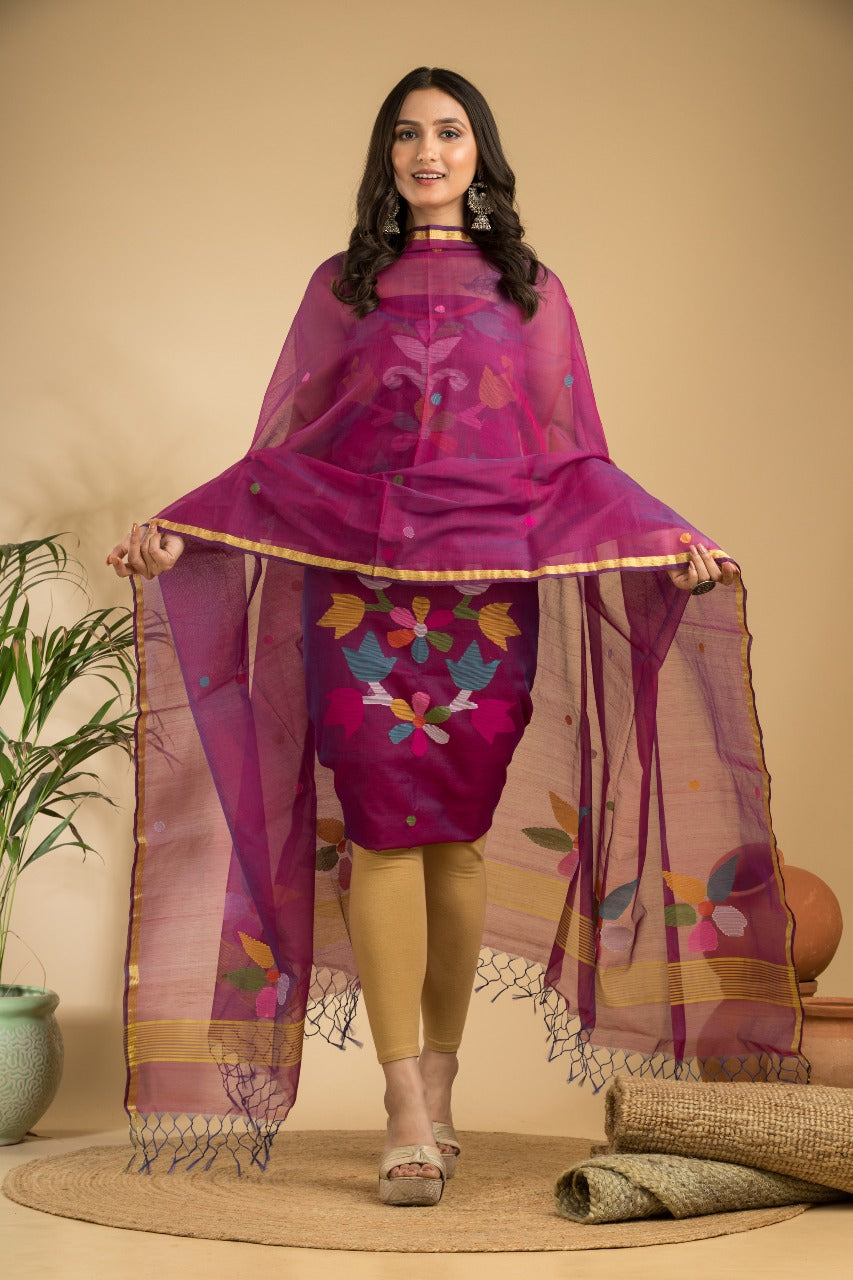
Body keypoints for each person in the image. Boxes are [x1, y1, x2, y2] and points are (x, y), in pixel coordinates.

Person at [108, 67, 803, 1204]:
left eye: (447, 131)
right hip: (359, 600)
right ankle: (401, 1101)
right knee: (381, 834)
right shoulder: (340, 288)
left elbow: (572, 461)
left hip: (485, 600)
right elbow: (286, 453)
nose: (425, 151)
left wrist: (672, 538)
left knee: (459, 843)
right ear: (385, 156)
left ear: (479, 152)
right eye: (406, 134)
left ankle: (441, 1072)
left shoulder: (531, 293)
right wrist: (184, 529)